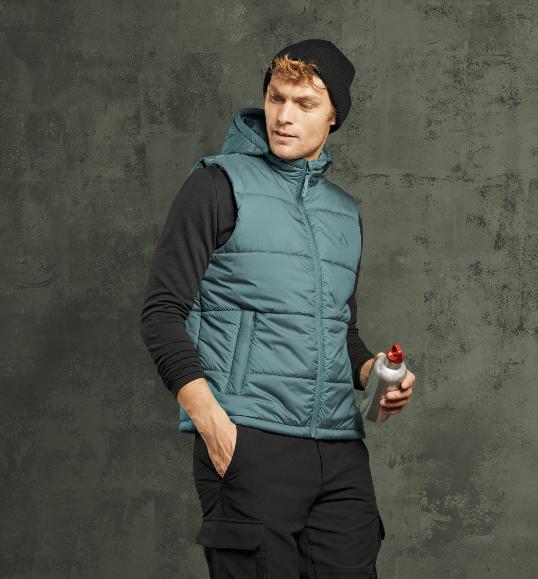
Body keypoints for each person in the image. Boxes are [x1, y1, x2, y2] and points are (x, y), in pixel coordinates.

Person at [140, 38, 416, 578]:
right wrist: (213, 425)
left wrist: (374, 372)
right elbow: (161, 313)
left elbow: (340, 330)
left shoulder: (344, 213)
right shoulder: (216, 185)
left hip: (339, 451)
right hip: (250, 439)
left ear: (334, 116)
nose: (284, 117)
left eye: (304, 104)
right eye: (276, 98)